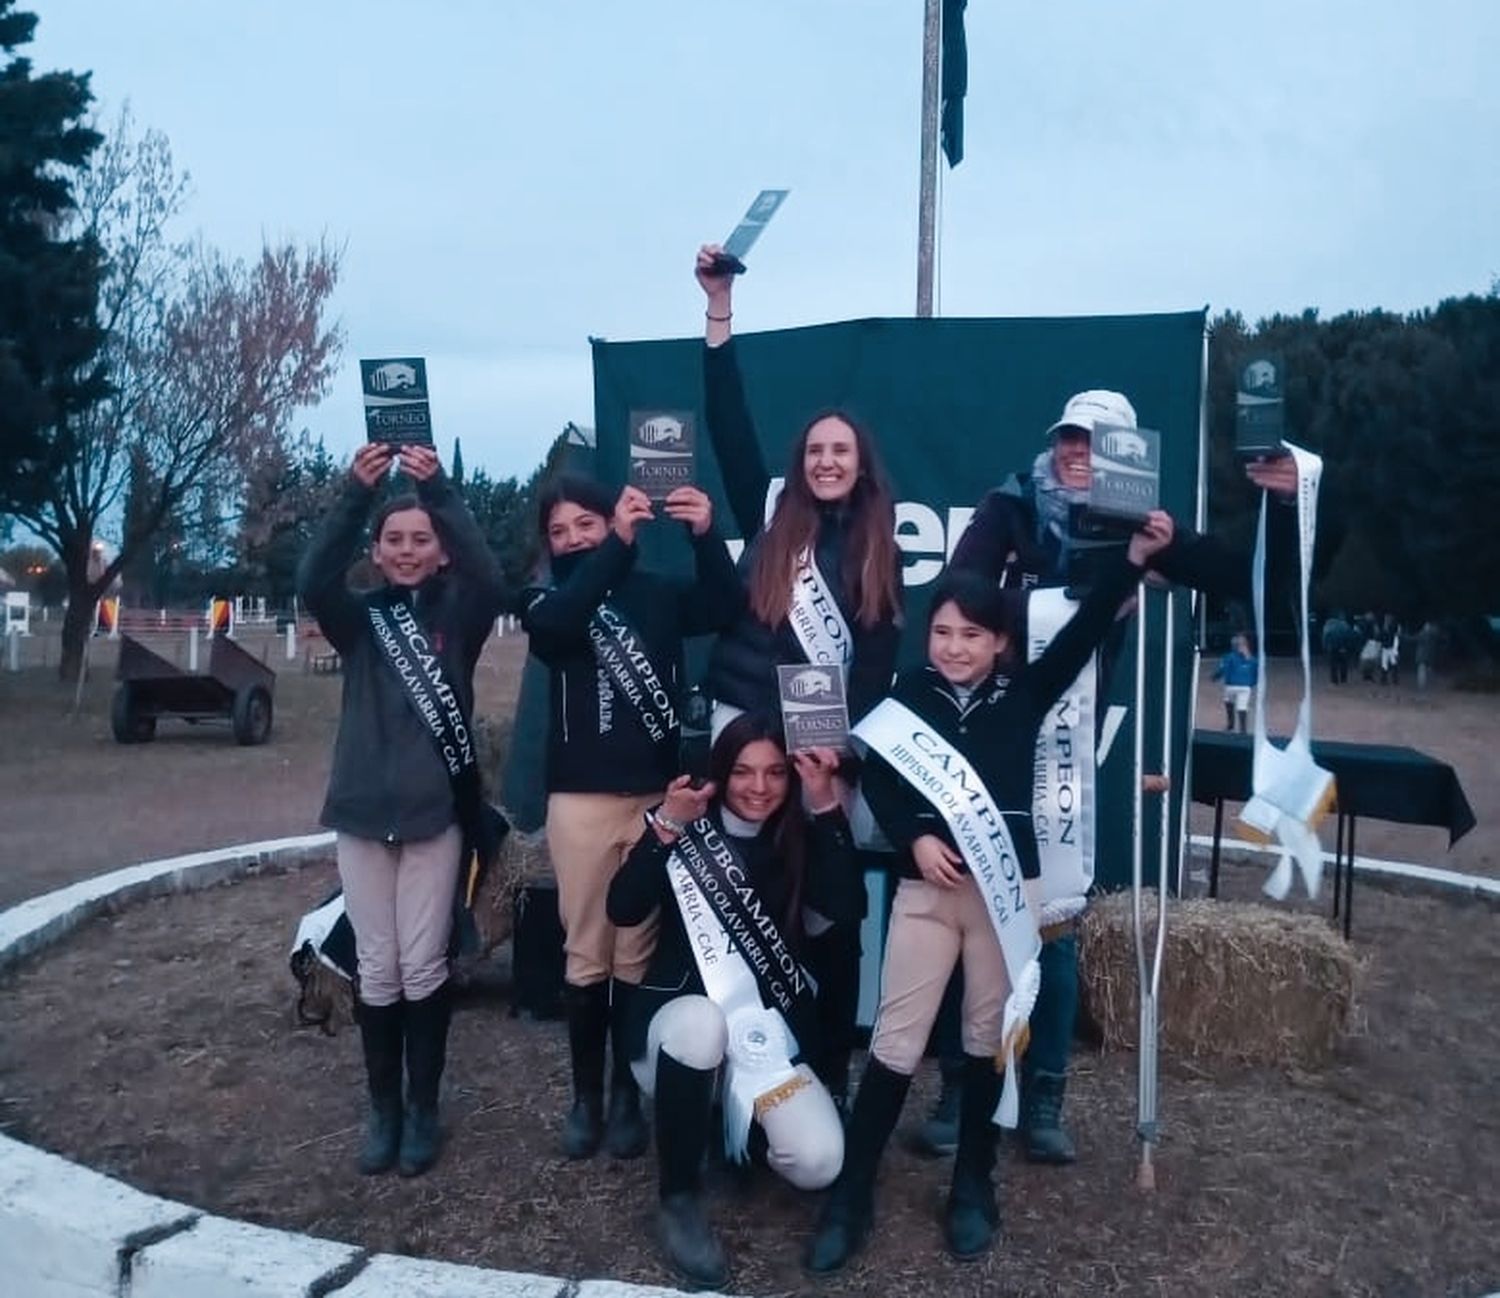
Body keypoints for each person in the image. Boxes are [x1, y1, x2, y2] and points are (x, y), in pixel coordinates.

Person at [931, 389, 1297, 1166]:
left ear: (1123, 459)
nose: (1077, 451)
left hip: (1069, 733)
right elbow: (959, 596)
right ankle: (960, 1089)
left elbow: (1255, 586)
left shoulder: (1142, 526)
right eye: (1069, 436)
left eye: (1095, 442)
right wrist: (1087, 596)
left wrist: (1280, 510)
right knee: (975, 900)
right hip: (996, 724)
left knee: (1056, 908)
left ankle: (1045, 1096)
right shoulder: (1013, 504)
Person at [804, 514, 1176, 1272]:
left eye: (971, 635)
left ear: (1000, 641)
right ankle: (852, 1194)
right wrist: (914, 835)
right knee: (896, 1043)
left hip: (1008, 893)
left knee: (985, 1039)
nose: (954, 647)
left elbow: (1089, 627)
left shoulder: (1026, 691)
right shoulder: (910, 693)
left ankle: (974, 1184)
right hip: (926, 891)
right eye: (942, 632)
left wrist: (1134, 562)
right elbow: (875, 770)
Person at [694, 242, 905, 1109]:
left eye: (839, 451)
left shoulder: (877, 548)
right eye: (815, 448)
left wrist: (840, 757)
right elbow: (729, 424)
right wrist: (718, 310)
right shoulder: (769, 514)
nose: (824, 460)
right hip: (744, 727)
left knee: (828, 910)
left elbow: (881, 665)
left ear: (859, 465)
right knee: (737, 904)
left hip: (819, 751)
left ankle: (826, 1072)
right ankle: (734, 1075)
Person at [297, 441, 510, 1178]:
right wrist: (356, 493)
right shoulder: (357, 621)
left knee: (424, 966)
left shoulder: (465, 614)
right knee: (378, 967)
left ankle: (423, 1109)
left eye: (422, 540)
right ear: (378, 553)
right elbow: (311, 577)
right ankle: (382, 1110)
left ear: (440, 552)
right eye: (396, 540)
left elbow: (493, 575)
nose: (410, 550)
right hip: (361, 814)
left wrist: (440, 489)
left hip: (432, 818)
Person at [521, 474, 739, 1162]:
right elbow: (563, 622)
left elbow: (724, 604)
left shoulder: (654, 592)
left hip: (653, 800)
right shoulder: (546, 600)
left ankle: (623, 1095)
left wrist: (705, 537)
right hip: (580, 802)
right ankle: (585, 1098)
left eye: (585, 524)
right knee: (586, 948)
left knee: (636, 950)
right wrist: (615, 544)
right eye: (559, 532)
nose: (574, 539)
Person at [607, 715, 861, 1289]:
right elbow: (622, 909)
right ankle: (678, 1198)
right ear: (721, 774)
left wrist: (825, 809)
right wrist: (664, 827)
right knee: (702, 1024)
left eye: (775, 772)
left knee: (820, 1162)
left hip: (765, 1045)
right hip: (675, 1037)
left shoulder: (798, 837)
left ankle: (736, 1130)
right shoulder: (686, 832)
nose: (759, 787)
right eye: (743, 771)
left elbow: (846, 911)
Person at [1213, 633, 1257, 732]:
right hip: (1245, 687)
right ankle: (1243, 729)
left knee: (1228, 702)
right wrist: (1252, 683)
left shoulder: (1228, 657)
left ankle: (1230, 724)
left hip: (1231, 685)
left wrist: (1215, 677)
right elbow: (1256, 672)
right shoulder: (1252, 659)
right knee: (1242, 707)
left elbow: (1223, 669)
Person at [1322, 611, 1352, 685]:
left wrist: (1325, 646)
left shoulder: (1328, 625)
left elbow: (1325, 636)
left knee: (1333, 664)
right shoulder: (1345, 625)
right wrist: (1348, 646)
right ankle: (1343, 679)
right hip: (1343, 646)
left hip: (1332, 646)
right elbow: (1349, 636)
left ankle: (1334, 680)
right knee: (1343, 663)